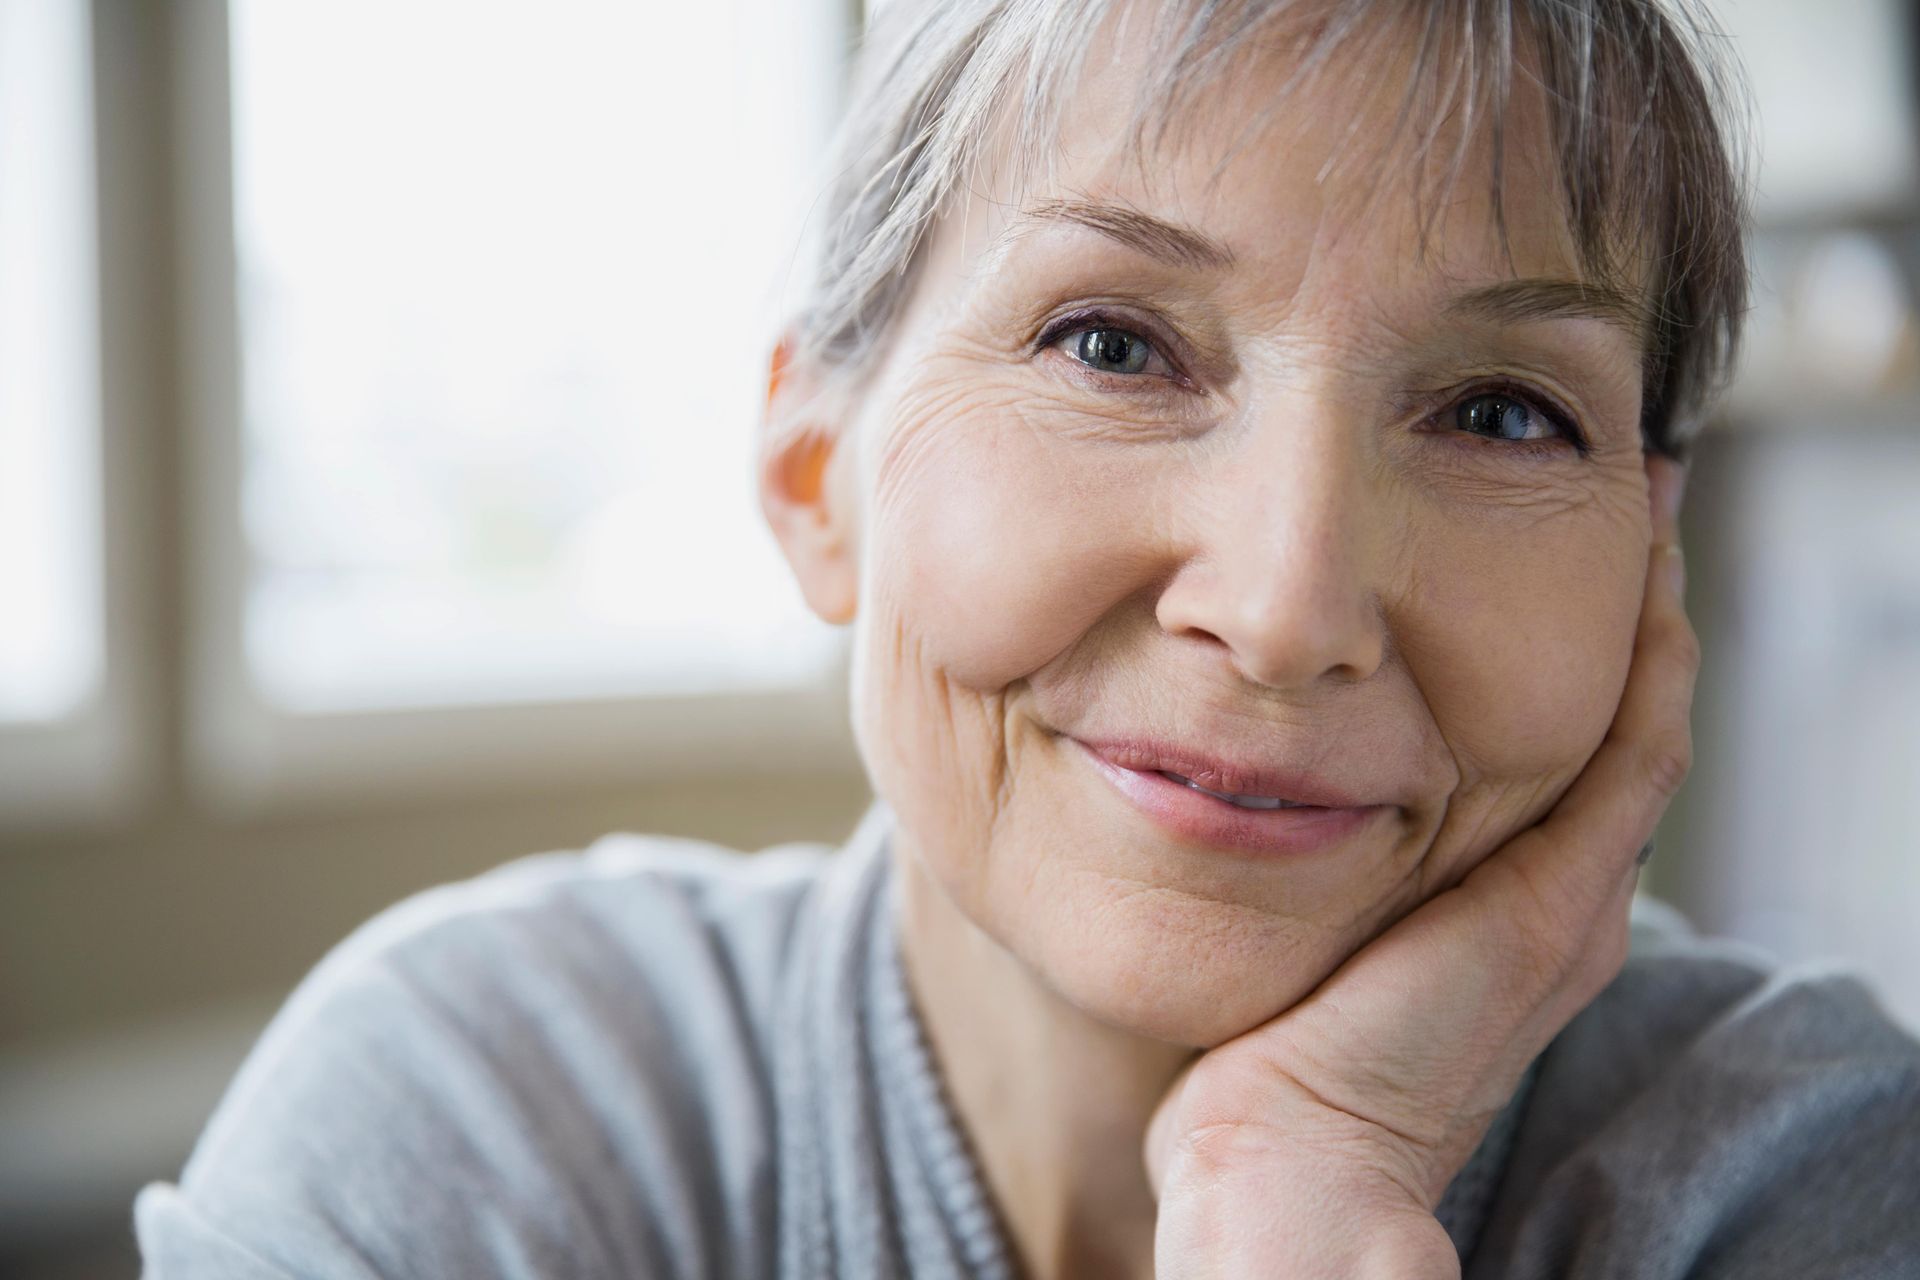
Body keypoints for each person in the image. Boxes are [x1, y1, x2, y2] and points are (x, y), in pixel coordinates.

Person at [136, 1, 1920, 1276]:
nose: (1286, 604)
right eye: (1114, 346)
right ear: (815, 472)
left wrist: (1306, 1201)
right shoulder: (474, 1128)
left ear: (1652, 571)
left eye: (1505, 414)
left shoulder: (1807, 1182)